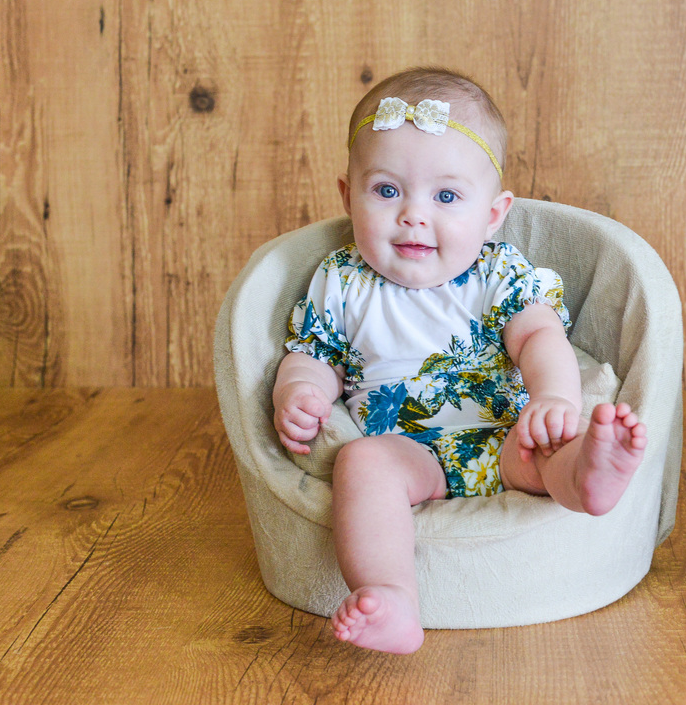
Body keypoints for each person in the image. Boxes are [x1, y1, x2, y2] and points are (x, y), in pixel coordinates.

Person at [271, 67, 647, 654]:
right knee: (361, 464)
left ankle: (588, 475)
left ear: (493, 214)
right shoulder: (341, 280)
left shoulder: (498, 272)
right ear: (347, 196)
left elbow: (539, 339)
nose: (414, 215)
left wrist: (554, 400)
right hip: (408, 450)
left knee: (546, 450)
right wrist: (299, 392)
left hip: (503, 435)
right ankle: (391, 595)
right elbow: (313, 355)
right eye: (387, 191)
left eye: (446, 196)